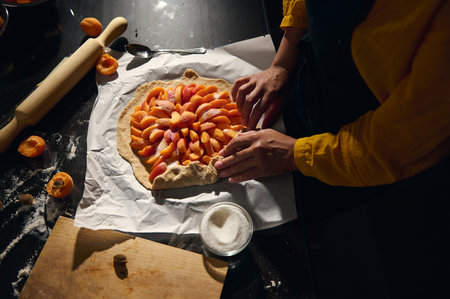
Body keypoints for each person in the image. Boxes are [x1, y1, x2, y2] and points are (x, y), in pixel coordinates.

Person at [214, 0, 450, 188]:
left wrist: (295, 155)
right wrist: (283, 64)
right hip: (312, 71)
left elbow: (395, 144)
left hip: (357, 153)